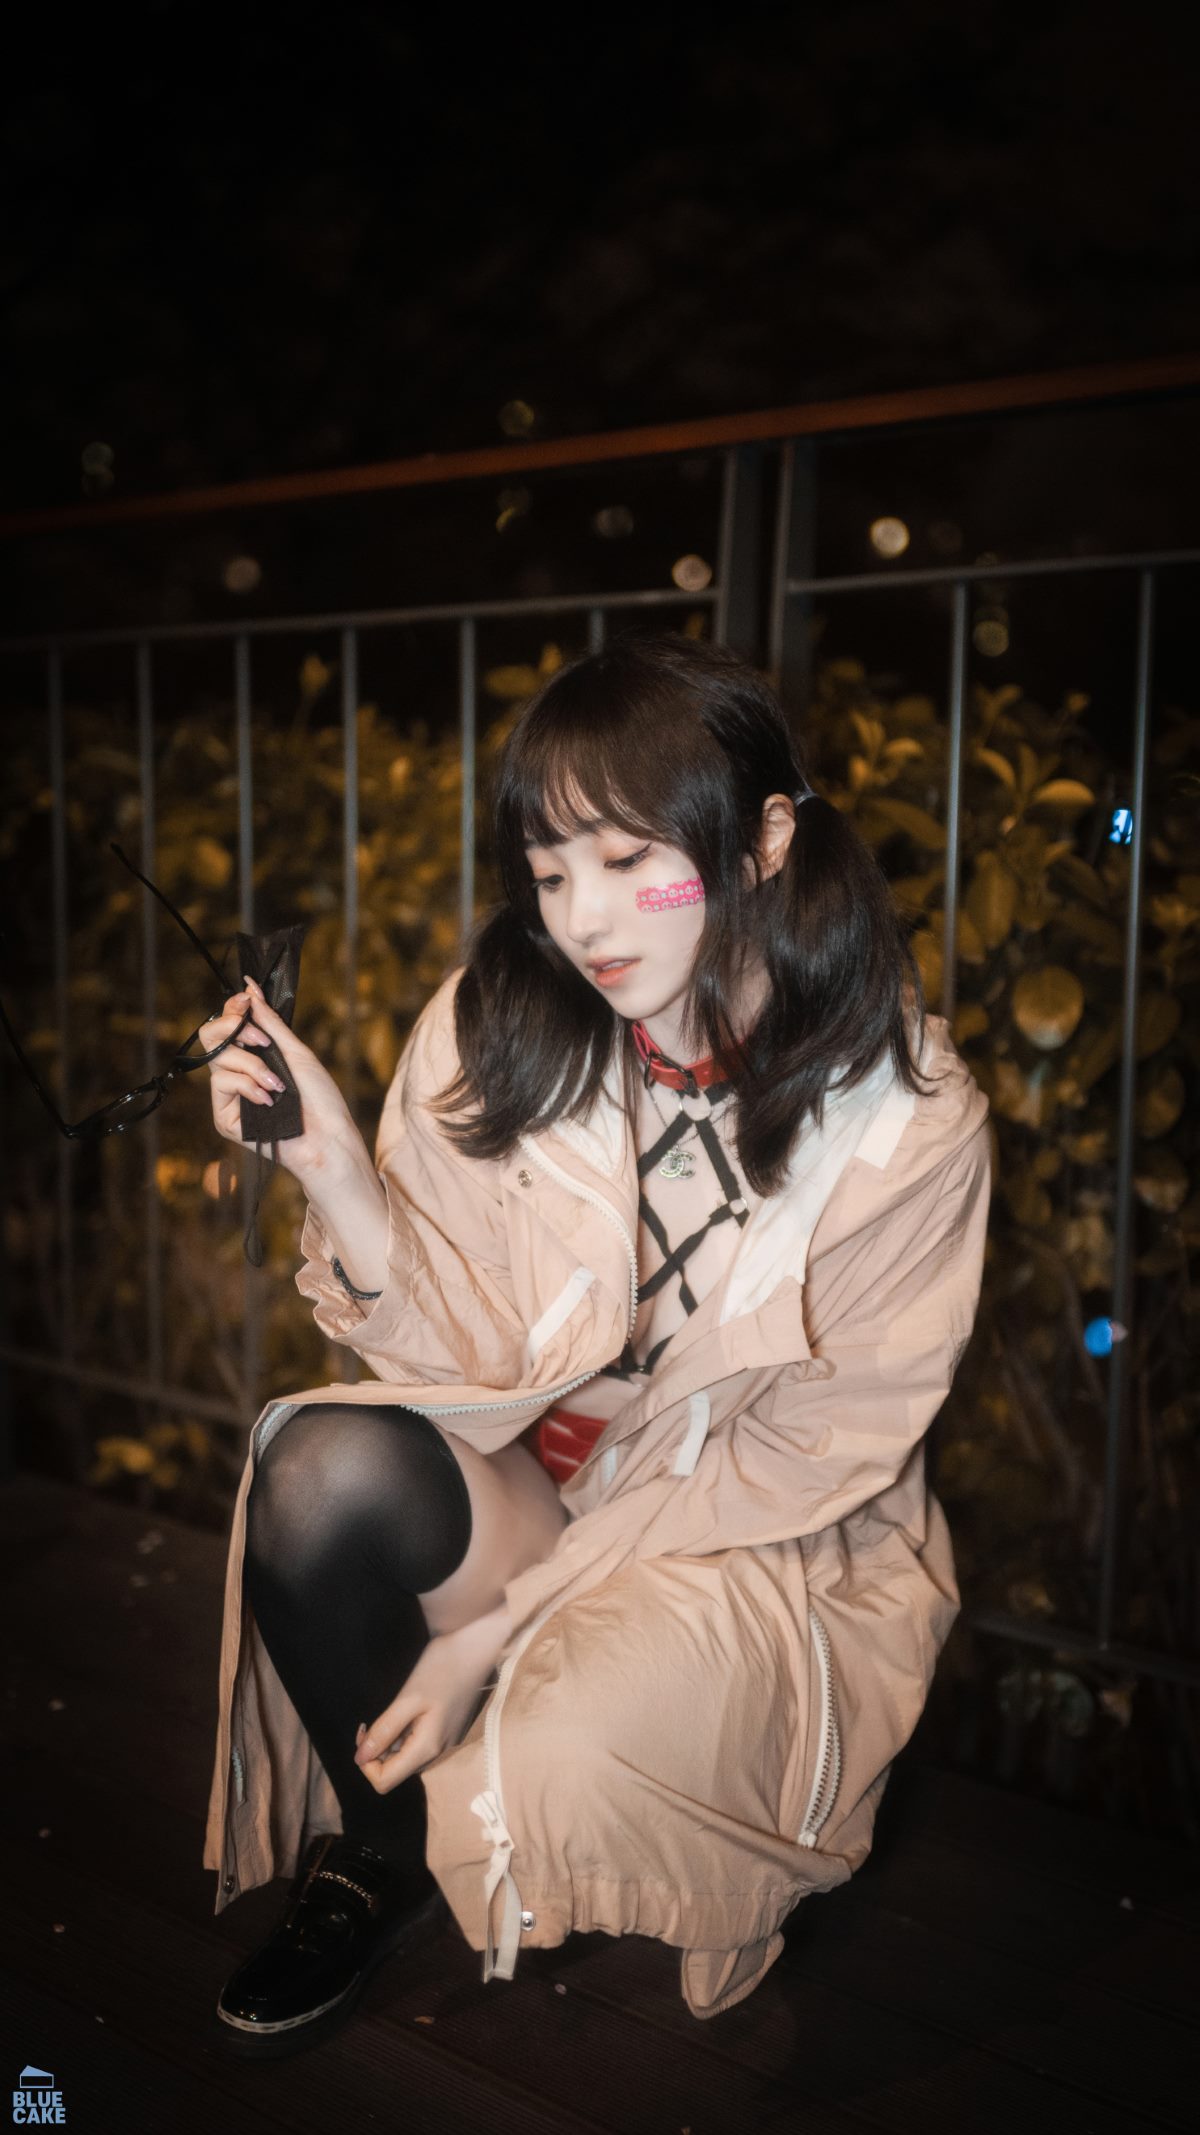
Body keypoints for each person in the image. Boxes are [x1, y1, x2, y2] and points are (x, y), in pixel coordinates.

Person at [200, 628, 991, 2057]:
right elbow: (455, 1364)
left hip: (734, 1536)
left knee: (558, 1754)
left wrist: (495, 1630)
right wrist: (333, 1169)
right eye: (552, 872)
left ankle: (511, 1767)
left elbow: (803, 1457)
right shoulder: (502, 1023)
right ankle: (376, 1857)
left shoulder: (905, 1124)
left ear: (764, 841)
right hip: (530, 1483)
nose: (586, 919)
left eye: (630, 861)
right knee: (319, 1470)